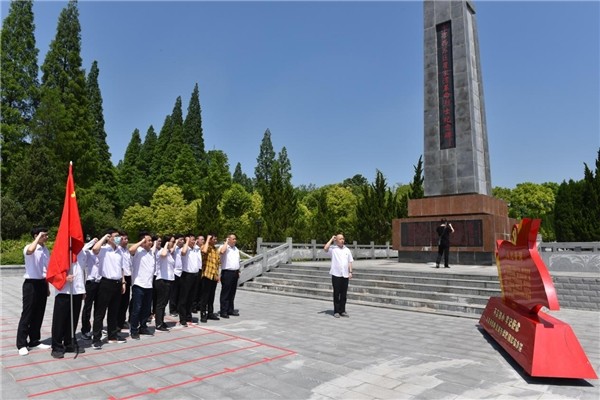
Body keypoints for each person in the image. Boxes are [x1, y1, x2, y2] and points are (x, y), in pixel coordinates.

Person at [16, 227, 52, 356]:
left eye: (47, 235)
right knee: (28, 313)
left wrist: (47, 287)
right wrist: (38, 238)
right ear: (36, 235)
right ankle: (21, 344)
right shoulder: (29, 247)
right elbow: (30, 251)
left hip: (42, 283)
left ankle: (34, 340)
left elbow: (46, 270)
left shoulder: (46, 250)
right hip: (30, 284)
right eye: (44, 235)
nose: (47, 237)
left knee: (39, 313)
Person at [50, 241, 88, 358]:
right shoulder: (61, 252)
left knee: (73, 319)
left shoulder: (82, 253)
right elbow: (53, 269)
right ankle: (56, 346)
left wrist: (83, 288)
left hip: (77, 290)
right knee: (60, 320)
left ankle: (69, 342)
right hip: (64, 291)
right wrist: (64, 278)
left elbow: (82, 271)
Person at [91, 229, 126, 349]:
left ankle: (112, 336)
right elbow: (95, 249)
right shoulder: (104, 249)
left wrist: (123, 282)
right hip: (105, 283)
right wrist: (104, 237)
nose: (118, 239)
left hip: (117, 283)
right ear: (109, 238)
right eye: (116, 237)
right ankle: (96, 338)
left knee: (114, 311)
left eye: (119, 237)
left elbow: (121, 267)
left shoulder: (120, 251)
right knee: (100, 312)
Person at [128, 232, 156, 339]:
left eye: (150, 240)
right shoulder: (138, 251)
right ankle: (134, 329)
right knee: (137, 308)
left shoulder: (151, 253)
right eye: (148, 240)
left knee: (146, 309)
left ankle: (143, 326)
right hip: (139, 284)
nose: (150, 242)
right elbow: (131, 250)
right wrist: (141, 242)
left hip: (149, 285)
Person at [324, 234, 354, 318]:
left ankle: (342, 310)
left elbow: (350, 261)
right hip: (336, 274)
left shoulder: (347, 250)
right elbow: (325, 248)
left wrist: (350, 272)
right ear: (336, 240)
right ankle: (336, 311)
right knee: (336, 293)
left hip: (345, 274)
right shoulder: (333, 249)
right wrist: (331, 239)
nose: (342, 240)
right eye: (340, 239)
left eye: (343, 239)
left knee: (344, 294)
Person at [177, 234, 201, 327]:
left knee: (191, 297)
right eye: (191, 240)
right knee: (184, 298)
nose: (193, 241)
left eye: (194, 239)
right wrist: (186, 241)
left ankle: (188, 315)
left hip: (195, 275)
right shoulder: (185, 249)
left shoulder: (195, 249)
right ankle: (182, 318)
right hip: (186, 276)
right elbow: (183, 252)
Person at [154, 235, 175, 331]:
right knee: (160, 303)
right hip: (162, 280)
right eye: (171, 241)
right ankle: (158, 324)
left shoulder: (169, 253)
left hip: (169, 280)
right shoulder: (161, 252)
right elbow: (163, 255)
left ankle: (161, 321)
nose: (173, 243)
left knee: (164, 303)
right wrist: (166, 244)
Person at [80, 238, 100, 340]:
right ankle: (85, 329)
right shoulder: (88, 254)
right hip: (90, 283)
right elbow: (83, 248)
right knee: (87, 308)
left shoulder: (102, 254)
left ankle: (97, 329)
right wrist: (92, 241)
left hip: (100, 283)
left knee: (98, 308)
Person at [199, 233, 221, 323]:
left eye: (216, 239)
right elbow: (203, 252)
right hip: (206, 275)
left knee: (211, 296)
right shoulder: (205, 247)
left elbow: (218, 263)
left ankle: (210, 313)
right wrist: (207, 239)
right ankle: (203, 314)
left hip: (213, 275)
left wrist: (218, 275)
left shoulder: (215, 250)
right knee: (205, 296)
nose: (215, 241)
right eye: (214, 239)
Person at [219, 233, 241, 319]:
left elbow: (238, 261)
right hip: (227, 272)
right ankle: (223, 311)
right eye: (233, 239)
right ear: (228, 239)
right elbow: (222, 252)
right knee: (225, 292)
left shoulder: (236, 249)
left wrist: (238, 271)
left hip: (235, 272)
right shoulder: (224, 247)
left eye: (235, 239)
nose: (235, 240)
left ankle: (230, 309)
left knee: (232, 292)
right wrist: (226, 243)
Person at [117, 232, 131, 331]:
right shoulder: (118, 250)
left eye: (126, 239)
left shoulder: (127, 250)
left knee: (125, 301)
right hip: (121, 277)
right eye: (123, 239)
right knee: (119, 301)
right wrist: (123, 281)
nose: (126, 241)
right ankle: (117, 322)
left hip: (128, 276)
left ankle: (122, 321)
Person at [169, 234, 185, 317]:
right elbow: (171, 251)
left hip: (182, 272)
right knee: (174, 292)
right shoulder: (174, 249)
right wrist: (175, 243)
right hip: (175, 272)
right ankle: (172, 309)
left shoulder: (184, 249)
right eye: (180, 240)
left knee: (180, 292)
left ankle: (179, 308)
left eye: (183, 240)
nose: (182, 241)